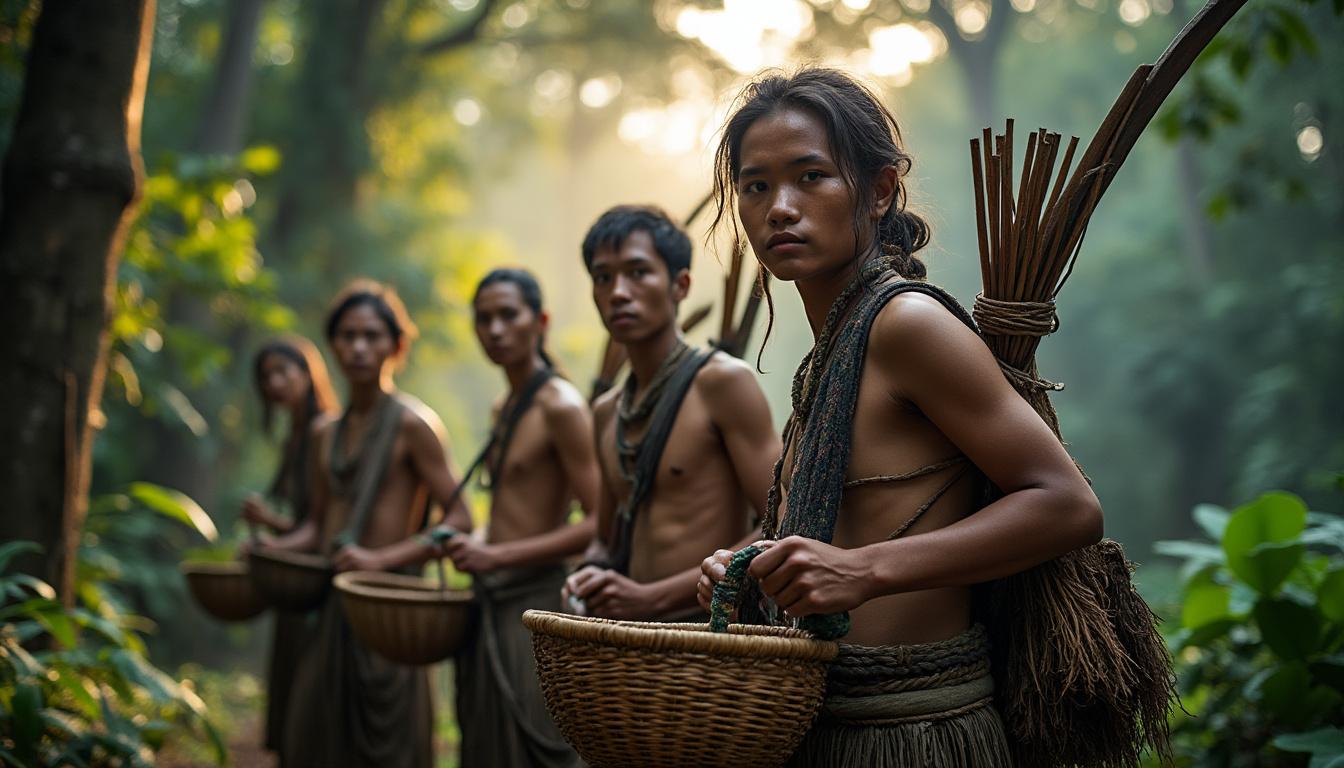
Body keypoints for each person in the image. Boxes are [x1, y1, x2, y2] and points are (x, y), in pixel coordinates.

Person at [696, 68, 1103, 766]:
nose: (779, 208)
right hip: (827, 718)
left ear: (879, 190)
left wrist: (866, 571)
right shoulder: (829, 355)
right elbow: (854, 525)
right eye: (756, 186)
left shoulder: (905, 324)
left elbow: (1068, 506)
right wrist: (759, 563)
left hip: (914, 732)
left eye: (811, 177)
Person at [262, 279, 472, 768]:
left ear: (396, 346)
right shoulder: (323, 433)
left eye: (372, 335)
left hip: (390, 614)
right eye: (348, 335)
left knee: (389, 748)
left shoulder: (414, 425)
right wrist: (272, 550)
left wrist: (381, 559)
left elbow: (459, 518)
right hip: (332, 610)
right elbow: (316, 526)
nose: (359, 347)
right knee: (312, 738)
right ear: (332, 344)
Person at [562, 205, 780, 621]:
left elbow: (783, 521)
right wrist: (587, 573)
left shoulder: (722, 383)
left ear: (680, 285)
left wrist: (653, 598)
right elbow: (605, 540)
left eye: (638, 272)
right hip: (633, 639)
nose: (618, 292)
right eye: (603, 277)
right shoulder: (608, 413)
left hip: (713, 634)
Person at [430, 268, 598, 768]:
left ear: (539, 321)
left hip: (537, 605)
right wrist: (473, 542)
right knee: (485, 745)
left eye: (509, 315)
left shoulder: (561, 406)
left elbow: (598, 524)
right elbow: (512, 509)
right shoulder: (505, 406)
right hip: (492, 601)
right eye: (484, 319)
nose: (496, 330)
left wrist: (495, 554)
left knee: (537, 749)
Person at [239, 337, 339, 761]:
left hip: (321, 582)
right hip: (296, 579)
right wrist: (272, 528)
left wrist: (272, 542)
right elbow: (307, 522)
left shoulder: (328, 431)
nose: (275, 383)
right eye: (266, 376)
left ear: (308, 373)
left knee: (311, 702)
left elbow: (322, 528)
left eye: (284, 371)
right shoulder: (294, 437)